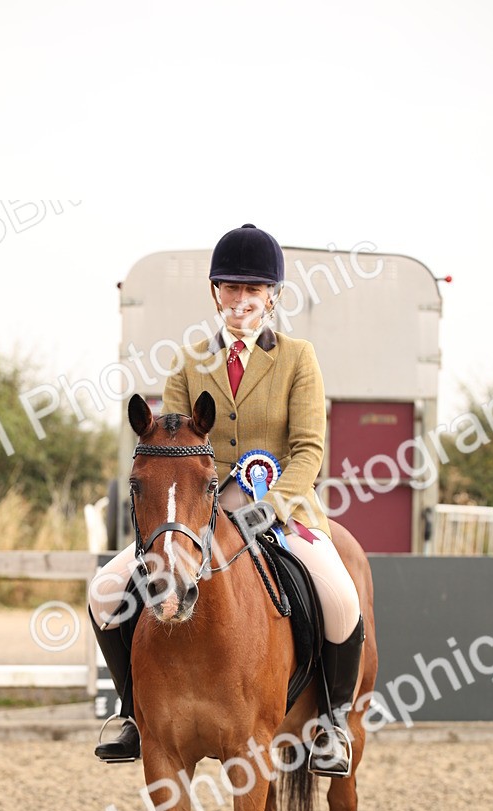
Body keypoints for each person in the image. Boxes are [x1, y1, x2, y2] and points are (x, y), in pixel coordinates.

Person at [89, 223, 364, 773]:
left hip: (282, 510)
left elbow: (309, 451)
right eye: (231, 288)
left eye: (253, 290)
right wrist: (199, 503)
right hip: (199, 514)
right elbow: (168, 442)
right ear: (216, 293)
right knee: (104, 591)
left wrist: (272, 503)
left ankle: (331, 725)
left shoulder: (298, 358)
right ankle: (131, 715)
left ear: (272, 297)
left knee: (341, 599)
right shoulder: (188, 362)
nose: (241, 300)